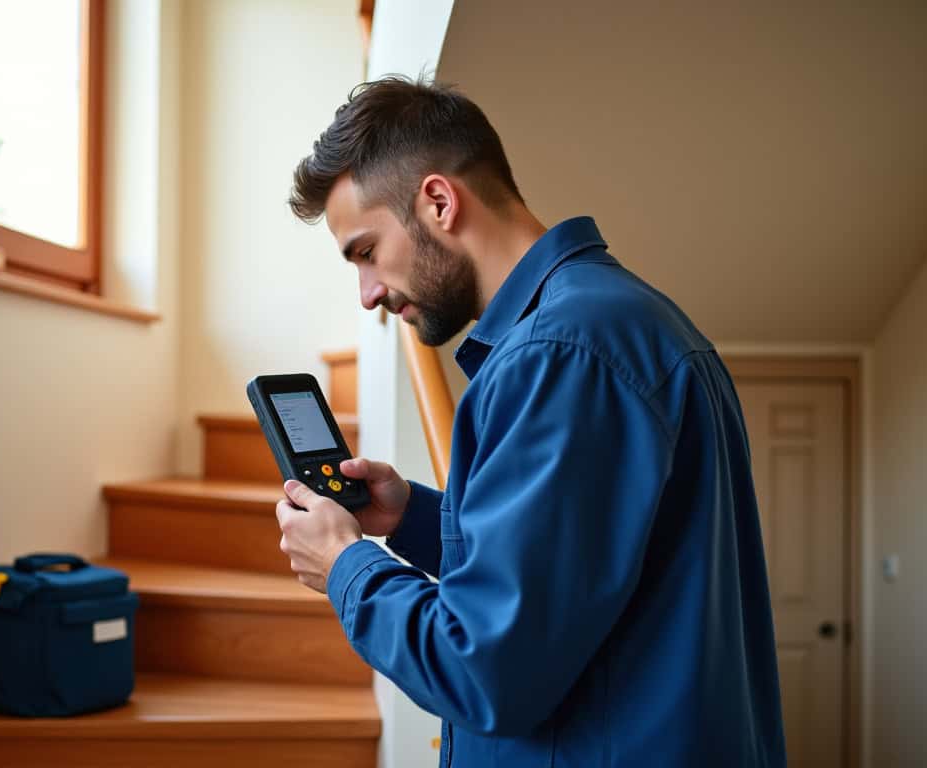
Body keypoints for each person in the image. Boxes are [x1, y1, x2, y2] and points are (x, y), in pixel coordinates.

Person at [275, 76, 785, 767]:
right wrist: (413, 519)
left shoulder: (558, 356)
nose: (368, 295)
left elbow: (484, 670)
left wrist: (345, 565)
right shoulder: (618, 321)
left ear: (437, 202)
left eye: (366, 252)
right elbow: (582, 569)